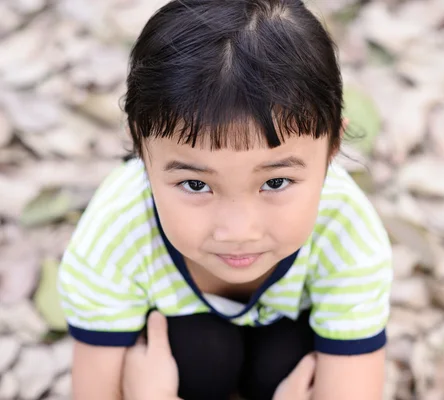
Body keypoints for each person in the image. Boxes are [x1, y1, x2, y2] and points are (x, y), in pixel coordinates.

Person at [57, 0, 393, 399]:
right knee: (202, 354)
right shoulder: (115, 235)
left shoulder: (347, 232)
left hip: (283, 351)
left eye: (277, 181)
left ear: (333, 146)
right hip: (185, 348)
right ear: (141, 146)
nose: (238, 231)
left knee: (286, 357)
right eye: (196, 185)